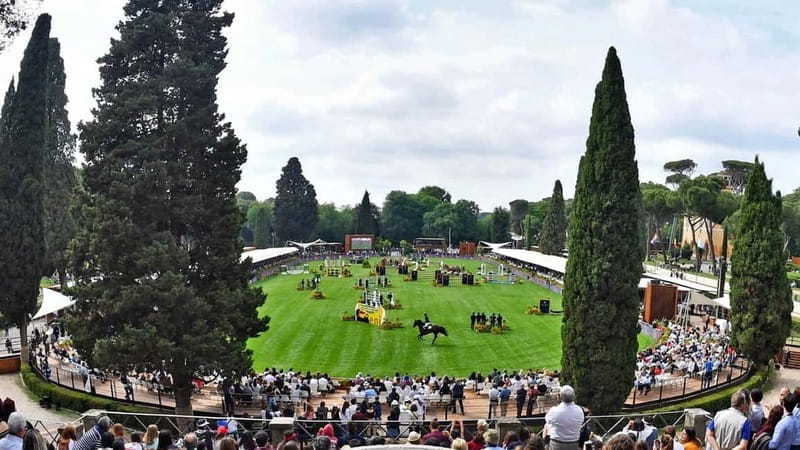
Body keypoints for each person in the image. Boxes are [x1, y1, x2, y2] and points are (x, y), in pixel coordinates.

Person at [544, 385, 584, 450]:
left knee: (547, 425)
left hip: (556, 444)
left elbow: (547, 420)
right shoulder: (579, 410)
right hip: (573, 444)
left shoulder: (554, 410)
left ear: (560, 396)